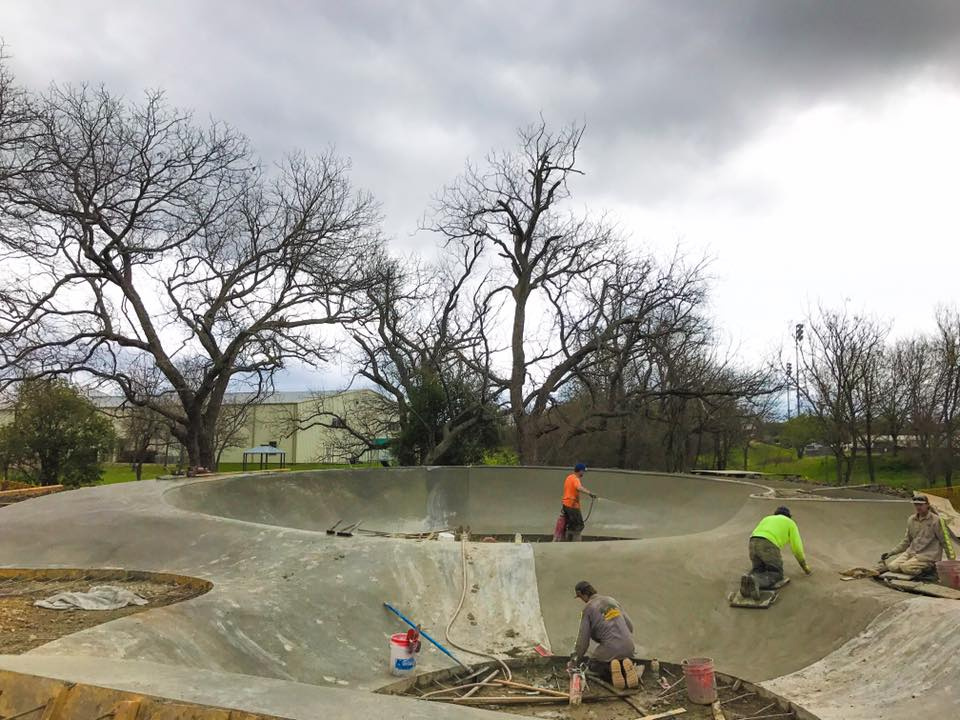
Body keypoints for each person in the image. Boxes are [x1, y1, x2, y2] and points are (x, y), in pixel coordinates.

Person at [569, 581, 639, 690]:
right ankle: (625, 665)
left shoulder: (588, 609)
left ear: (581, 593)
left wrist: (575, 660)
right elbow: (630, 627)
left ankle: (612, 672)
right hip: (629, 648)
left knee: (593, 665)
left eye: (580, 597)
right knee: (617, 657)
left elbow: (583, 642)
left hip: (609, 648)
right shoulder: (612, 601)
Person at [740, 506, 811, 600]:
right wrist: (804, 567)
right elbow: (797, 548)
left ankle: (748, 581)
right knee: (776, 573)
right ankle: (757, 581)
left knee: (759, 569)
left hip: (752, 542)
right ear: (789, 516)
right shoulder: (790, 523)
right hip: (769, 543)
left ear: (776, 514)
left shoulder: (767, 518)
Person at [877, 494, 956, 577]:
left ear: (927, 505)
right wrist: (891, 553)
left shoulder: (937, 521)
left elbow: (945, 541)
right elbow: (906, 541)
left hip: (928, 556)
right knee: (892, 567)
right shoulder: (911, 520)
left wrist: (952, 562)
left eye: (921, 505)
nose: (918, 507)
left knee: (906, 568)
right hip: (911, 552)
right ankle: (913, 566)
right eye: (916, 505)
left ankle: (930, 570)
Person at [561, 463, 595, 542]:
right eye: (583, 471)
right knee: (579, 526)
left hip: (566, 504)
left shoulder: (569, 477)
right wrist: (590, 493)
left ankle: (567, 542)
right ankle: (576, 544)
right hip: (572, 505)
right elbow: (579, 487)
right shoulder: (576, 479)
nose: (583, 473)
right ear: (580, 471)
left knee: (571, 525)